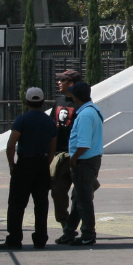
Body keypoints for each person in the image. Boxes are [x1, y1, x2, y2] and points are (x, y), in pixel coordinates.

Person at [0, 87, 57, 250]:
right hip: (42, 164)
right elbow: (52, 147)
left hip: (24, 164)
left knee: (17, 204)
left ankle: (14, 238)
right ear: (43, 102)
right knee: (41, 203)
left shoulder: (22, 120)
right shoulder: (50, 122)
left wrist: (12, 165)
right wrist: (46, 163)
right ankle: (40, 238)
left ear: (26, 102)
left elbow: (11, 145)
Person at [57, 81, 103, 246]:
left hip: (84, 161)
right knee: (78, 197)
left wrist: (74, 159)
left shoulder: (84, 115)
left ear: (76, 97)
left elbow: (83, 144)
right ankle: (69, 231)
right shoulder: (92, 110)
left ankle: (88, 234)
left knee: (83, 200)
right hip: (91, 160)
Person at [50, 69, 81, 224]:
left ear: (71, 84)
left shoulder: (81, 104)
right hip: (59, 156)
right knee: (58, 192)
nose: (59, 83)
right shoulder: (58, 101)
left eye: (62, 81)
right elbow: (51, 127)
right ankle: (65, 223)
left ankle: (77, 224)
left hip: (77, 156)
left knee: (81, 194)